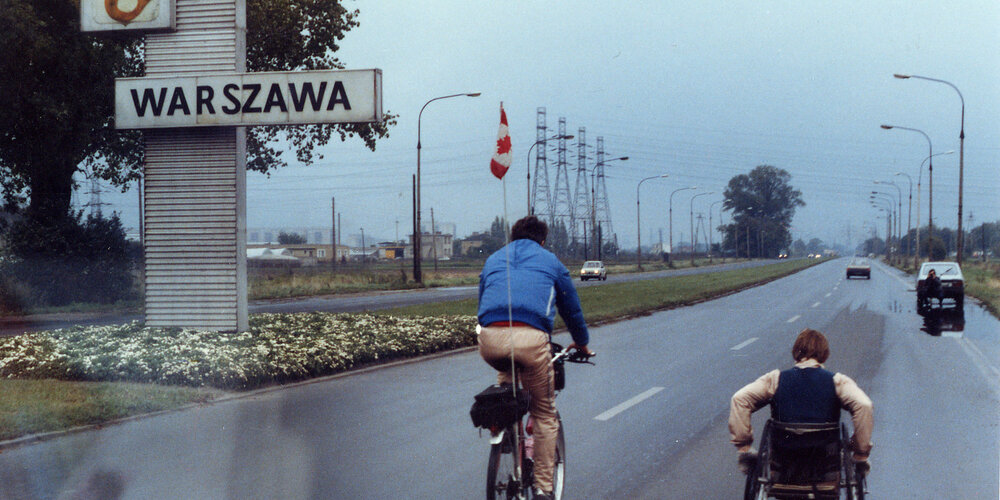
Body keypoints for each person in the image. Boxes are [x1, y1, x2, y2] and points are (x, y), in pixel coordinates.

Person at [477, 215, 594, 500]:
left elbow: (483, 298)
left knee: (509, 394)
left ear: (513, 238)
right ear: (542, 241)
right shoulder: (551, 262)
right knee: (543, 412)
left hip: (489, 339)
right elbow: (571, 309)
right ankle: (543, 488)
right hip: (530, 340)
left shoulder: (493, 259)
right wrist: (581, 343)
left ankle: (508, 437)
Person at [729, 329, 873, 477]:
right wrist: (860, 453)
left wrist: (744, 447)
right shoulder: (838, 381)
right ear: (824, 354)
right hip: (824, 457)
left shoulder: (775, 379)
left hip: (783, 455)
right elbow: (864, 405)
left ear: (796, 352)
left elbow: (740, 399)